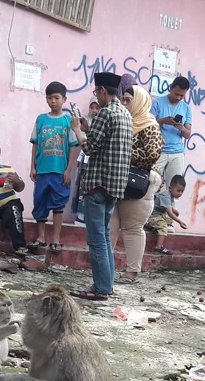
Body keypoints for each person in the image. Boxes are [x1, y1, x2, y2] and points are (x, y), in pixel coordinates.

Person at [69, 71, 131, 301]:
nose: (97, 96)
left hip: (98, 184)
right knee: (104, 237)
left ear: (103, 91)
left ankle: (102, 288)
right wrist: (87, 128)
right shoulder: (124, 113)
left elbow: (89, 148)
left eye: (97, 92)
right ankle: (107, 284)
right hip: (115, 186)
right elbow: (102, 142)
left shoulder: (105, 113)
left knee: (96, 239)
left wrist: (77, 129)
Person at [109, 85, 163, 283]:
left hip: (139, 183)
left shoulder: (149, 125)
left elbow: (151, 155)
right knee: (110, 226)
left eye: (128, 99)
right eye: (122, 99)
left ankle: (132, 272)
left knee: (132, 228)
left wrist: (122, 151)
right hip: (117, 180)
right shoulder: (123, 122)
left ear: (139, 101)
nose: (124, 103)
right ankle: (105, 268)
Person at [30, 81, 80, 252]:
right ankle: (41, 237)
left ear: (64, 99)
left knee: (58, 205)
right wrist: (32, 167)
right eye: (50, 98)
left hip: (60, 171)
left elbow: (74, 146)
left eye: (56, 98)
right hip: (42, 169)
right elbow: (35, 144)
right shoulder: (41, 119)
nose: (53, 101)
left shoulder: (69, 121)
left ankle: (56, 239)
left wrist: (69, 169)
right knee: (40, 202)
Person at [152, 76, 193, 186]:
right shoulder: (157, 103)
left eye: (182, 95)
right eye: (177, 94)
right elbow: (149, 126)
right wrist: (163, 121)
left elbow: (188, 134)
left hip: (177, 153)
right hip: (158, 151)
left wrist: (182, 128)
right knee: (152, 185)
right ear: (171, 88)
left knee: (173, 189)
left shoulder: (186, 108)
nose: (179, 98)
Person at [71, 99, 101, 223]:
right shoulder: (85, 121)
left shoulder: (102, 123)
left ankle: (90, 219)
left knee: (92, 191)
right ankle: (80, 217)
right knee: (82, 189)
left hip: (95, 163)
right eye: (92, 107)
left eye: (97, 108)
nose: (94, 110)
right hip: (84, 160)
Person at [148, 175, 188, 255]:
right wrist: (180, 222)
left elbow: (167, 207)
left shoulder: (170, 195)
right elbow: (169, 213)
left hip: (158, 214)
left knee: (169, 220)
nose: (180, 193)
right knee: (163, 227)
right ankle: (159, 247)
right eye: (178, 190)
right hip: (152, 216)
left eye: (182, 191)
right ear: (170, 188)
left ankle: (151, 226)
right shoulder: (166, 196)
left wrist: (174, 211)